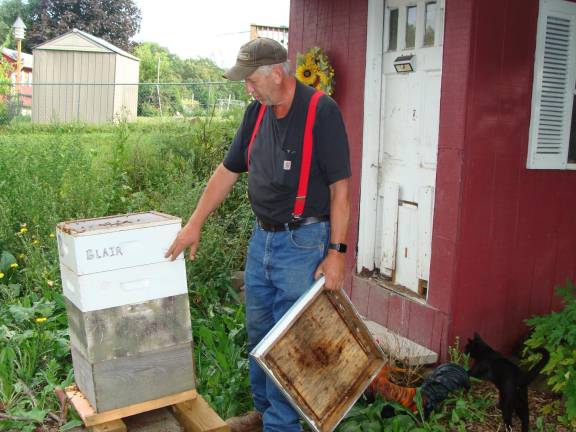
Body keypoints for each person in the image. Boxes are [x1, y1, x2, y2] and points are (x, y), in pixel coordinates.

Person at [165, 37, 351, 432]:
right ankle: (264, 413)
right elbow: (227, 172)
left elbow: (341, 190)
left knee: (287, 346)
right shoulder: (256, 115)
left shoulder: (321, 112)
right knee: (260, 335)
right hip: (262, 241)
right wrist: (195, 222)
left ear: (277, 74)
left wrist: (336, 253)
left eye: (250, 80)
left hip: (304, 243)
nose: (246, 88)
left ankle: (281, 426)